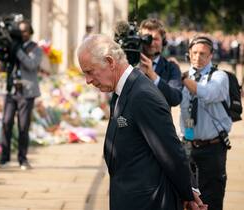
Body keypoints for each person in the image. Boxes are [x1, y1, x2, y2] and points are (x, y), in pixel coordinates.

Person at [78, 34, 207, 210]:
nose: (88, 80)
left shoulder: (142, 95)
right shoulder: (122, 90)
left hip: (147, 202)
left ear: (110, 62)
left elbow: (170, 151)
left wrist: (187, 193)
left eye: (89, 71)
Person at [181, 35, 232, 210]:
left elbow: (208, 93)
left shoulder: (220, 77)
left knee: (212, 199)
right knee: (187, 198)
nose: (197, 57)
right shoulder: (183, 76)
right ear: (189, 53)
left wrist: (183, 81)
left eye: (203, 53)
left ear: (211, 55)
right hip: (188, 144)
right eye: (194, 53)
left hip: (213, 147)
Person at [0, 19, 43, 170]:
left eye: (24, 31)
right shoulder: (12, 46)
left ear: (30, 33)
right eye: (19, 31)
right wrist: (5, 52)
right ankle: (4, 158)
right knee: (6, 122)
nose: (21, 34)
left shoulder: (35, 48)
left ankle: (22, 159)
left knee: (23, 126)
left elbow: (31, 65)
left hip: (27, 92)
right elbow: (3, 67)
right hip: (11, 90)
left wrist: (17, 50)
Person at [138, 18, 182, 107]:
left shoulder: (171, 67)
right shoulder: (128, 64)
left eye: (155, 39)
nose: (151, 43)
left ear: (163, 41)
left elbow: (175, 98)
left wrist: (153, 75)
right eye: (147, 38)